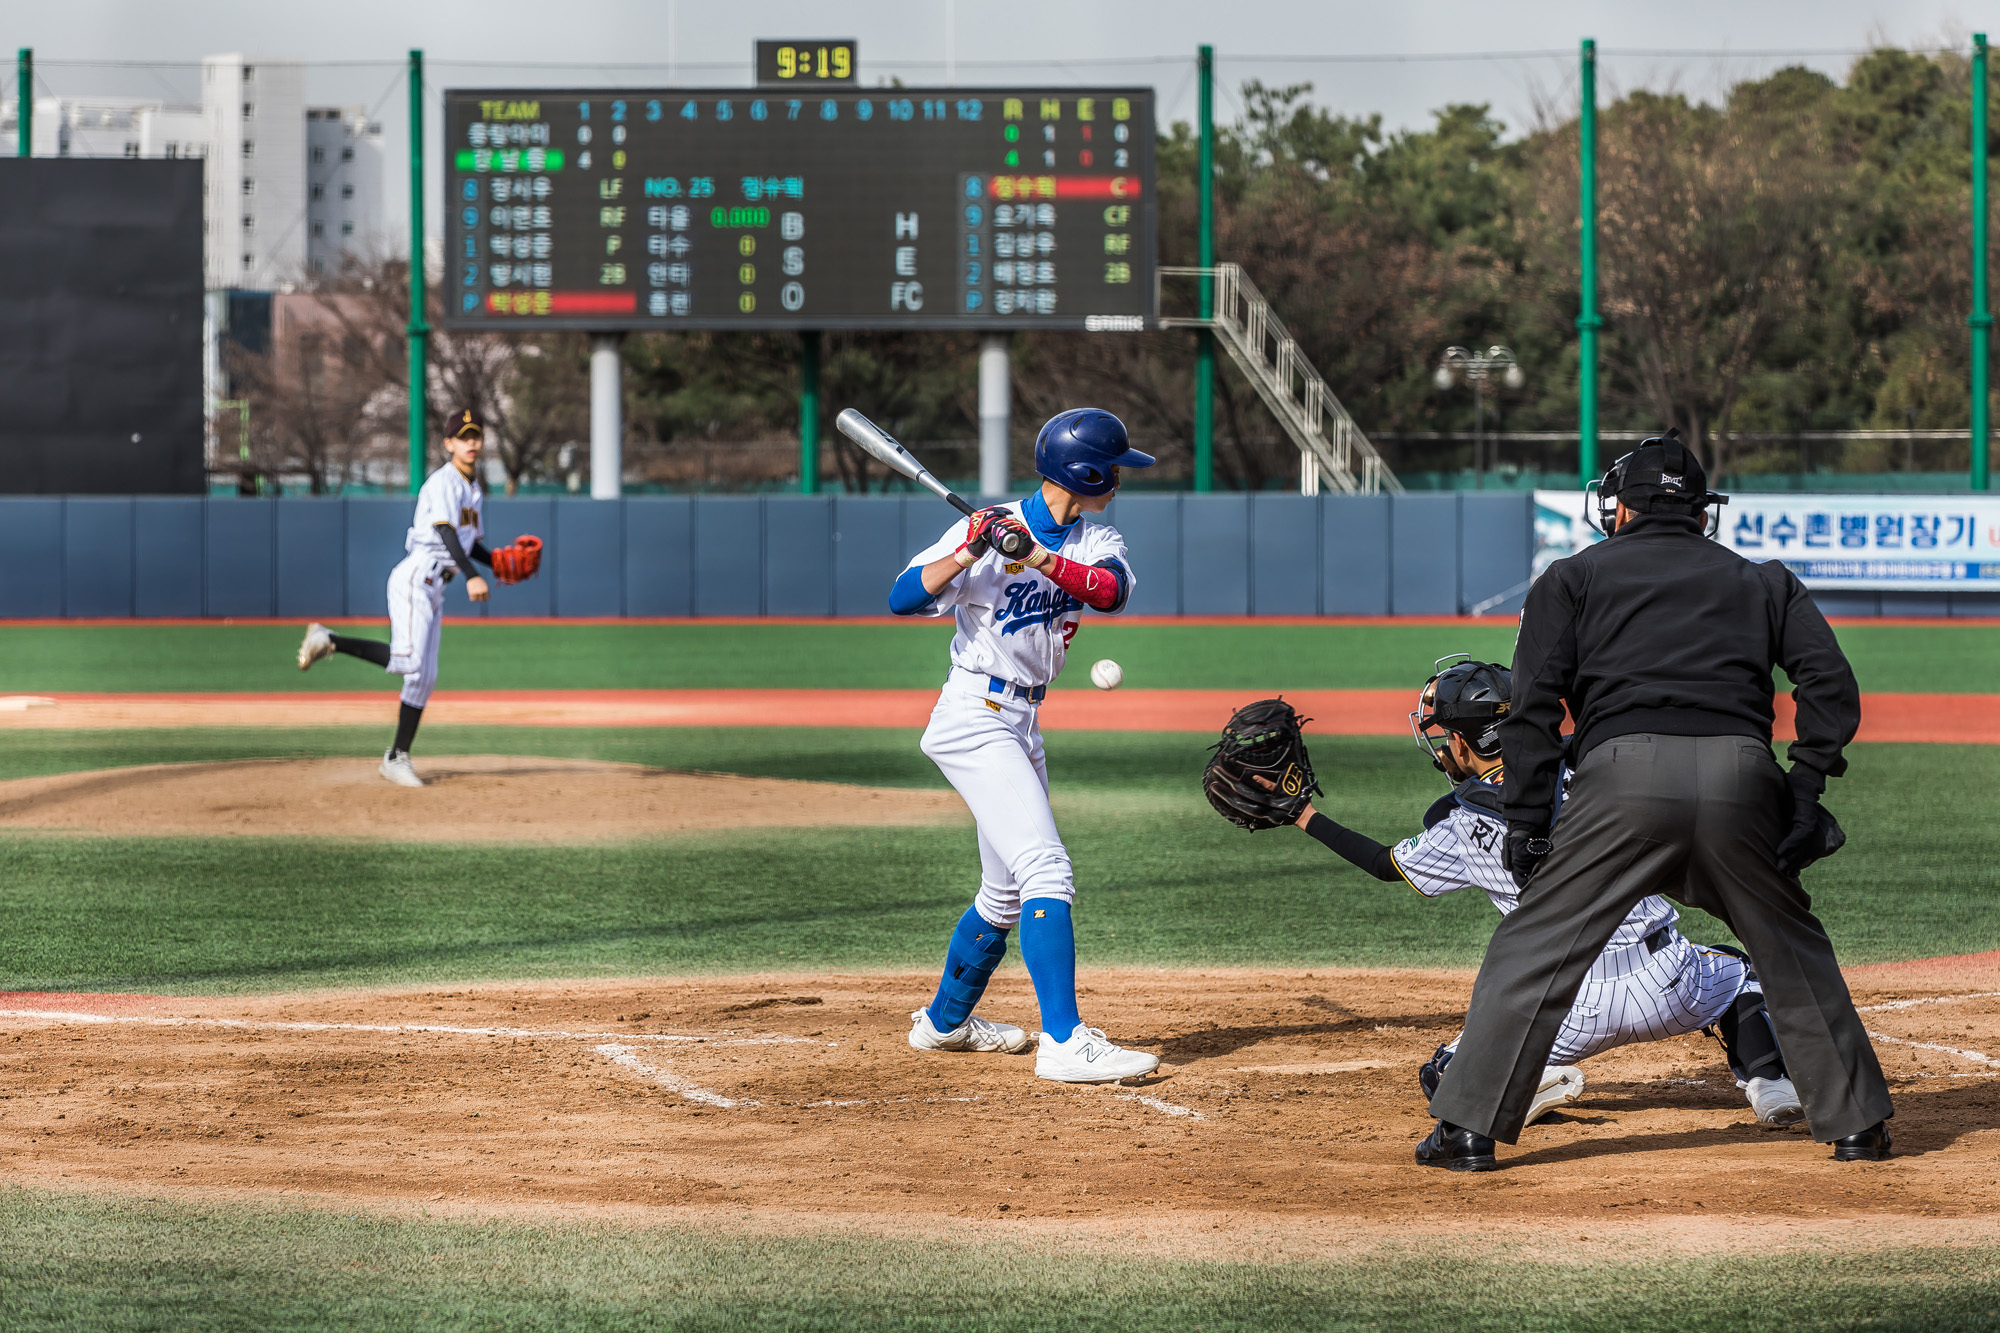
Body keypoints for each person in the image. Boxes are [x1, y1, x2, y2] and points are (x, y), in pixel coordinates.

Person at [1421, 433, 1891, 1171]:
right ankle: (1858, 1125)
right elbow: (1829, 686)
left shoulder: (1570, 577)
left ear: (1621, 511)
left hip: (1620, 779)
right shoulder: (1765, 579)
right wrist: (1805, 787)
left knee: (1533, 945)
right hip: (1742, 777)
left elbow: (1533, 709)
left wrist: (1528, 819)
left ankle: (1469, 1129)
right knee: (1790, 944)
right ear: (1703, 514)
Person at [1276, 656, 1803, 1130]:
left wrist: (1303, 815)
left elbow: (1384, 864)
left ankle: (1529, 1085)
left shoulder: (1459, 826)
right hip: (1667, 983)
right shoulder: (1601, 770)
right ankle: (1771, 1085)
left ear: (1461, 743)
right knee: (1740, 977)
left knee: (1444, 1077)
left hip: (1565, 1005)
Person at [893, 408, 1159, 1084]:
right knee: (1047, 868)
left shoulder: (1096, 536)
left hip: (1022, 725)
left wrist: (1035, 554)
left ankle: (944, 1022)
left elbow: (1110, 592)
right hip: (974, 713)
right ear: (1089, 472)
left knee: (1005, 891)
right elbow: (902, 596)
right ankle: (1065, 1041)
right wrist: (971, 549)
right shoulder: (981, 526)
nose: (1122, 480)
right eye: (1116, 469)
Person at [296, 408, 503, 787]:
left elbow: (471, 543)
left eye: (476, 436)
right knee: (408, 660)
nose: (471, 443)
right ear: (449, 444)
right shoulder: (445, 482)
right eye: (463, 437)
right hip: (416, 577)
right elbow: (445, 533)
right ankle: (330, 640)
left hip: (436, 584)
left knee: (424, 677)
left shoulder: (473, 489)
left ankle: (396, 757)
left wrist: (497, 563)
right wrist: (473, 576)